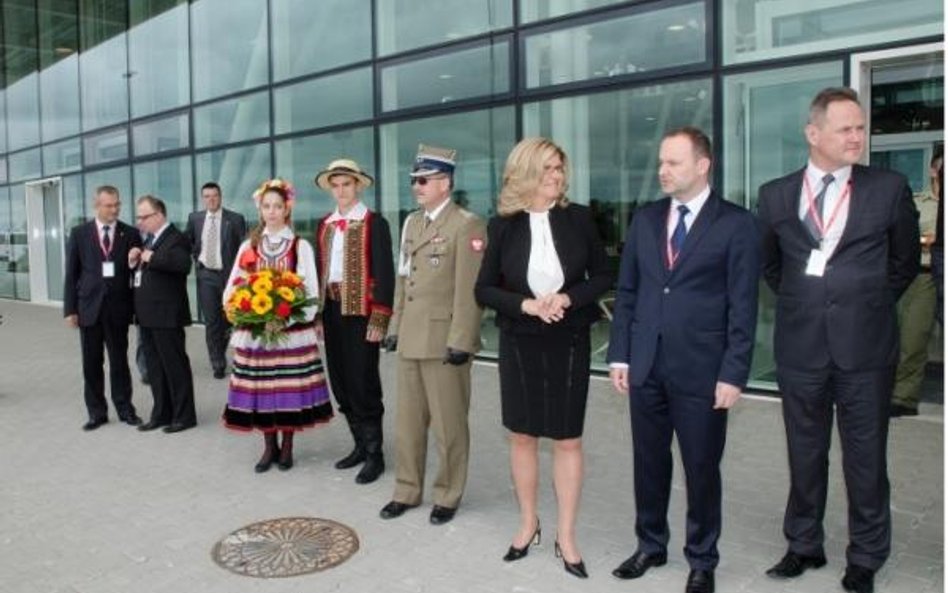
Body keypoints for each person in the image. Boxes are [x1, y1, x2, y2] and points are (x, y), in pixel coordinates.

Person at [757, 87, 919, 593]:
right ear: (814, 133)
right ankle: (803, 544)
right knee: (804, 451)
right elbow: (771, 266)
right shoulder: (776, 195)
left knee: (866, 457)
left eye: (860, 127)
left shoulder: (888, 188)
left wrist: (860, 301)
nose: (856, 136)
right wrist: (814, 300)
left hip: (865, 348)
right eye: (845, 128)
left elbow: (904, 263)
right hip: (801, 347)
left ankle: (866, 555)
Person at [607, 127, 759, 593]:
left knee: (700, 467)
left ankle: (702, 558)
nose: (662, 171)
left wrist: (734, 372)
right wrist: (620, 355)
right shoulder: (647, 219)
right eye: (660, 163)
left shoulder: (736, 223)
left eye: (672, 162)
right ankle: (650, 544)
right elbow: (628, 291)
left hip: (703, 371)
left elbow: (743, 305)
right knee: (648, 462)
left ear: (702, 164)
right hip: (647, 364)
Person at [474, 138, 610, 578]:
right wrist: (527, 305)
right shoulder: (503, 226)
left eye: (560, 168)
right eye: (548, 168)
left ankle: (566, 535)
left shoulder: (579, 218)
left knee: (567, 438)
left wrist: (567, 298)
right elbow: (485, 289)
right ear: (526, 172)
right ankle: (528, 522)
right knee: (522, 436)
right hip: (520, 339)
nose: (557, 176)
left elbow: (606, 274)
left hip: (569, 338)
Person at [379, 144, 486, 525]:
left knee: (448, 425)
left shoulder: (466, 225)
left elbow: (468, 291)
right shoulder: (412, 223)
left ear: (446, 183)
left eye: (423, 180)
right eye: (413, 181)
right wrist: (394, 327)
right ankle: (406, 490)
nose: (416, 187)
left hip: (444, 342)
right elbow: (404, 280)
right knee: (407, 424)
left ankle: (448, 493)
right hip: (410, 338)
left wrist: (462, 339)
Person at [222, 179, 333, 472]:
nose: (271, 212)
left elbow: (309, 290)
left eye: (277, 206)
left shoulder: (300, 246)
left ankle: (287, 446)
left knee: (288, 389)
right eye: (266, 206)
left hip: (289, 331)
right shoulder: (250, 245)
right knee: (262, 389)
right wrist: (244, 310)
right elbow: (236, 282)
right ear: (260, 209)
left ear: (287, 210)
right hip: (257, 332)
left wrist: (288, 315)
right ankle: (268, 446)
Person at [314, 159, 395, 485]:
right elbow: (321, 272)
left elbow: (386, 274)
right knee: (341, 381)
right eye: (336, 184)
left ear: (358, 186)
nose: (341, 190)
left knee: (363, 381)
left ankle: (376, 453)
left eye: (347, 184)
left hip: (362, 312)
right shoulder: (326, 224)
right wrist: (318, 314)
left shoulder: (374, 223)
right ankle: (359, 445)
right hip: (333, 309)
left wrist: (380, 317)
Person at [63, 185, 143, 430]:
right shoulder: (79, 233)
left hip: (118, 309)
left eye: (117, 204)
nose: (115, 209)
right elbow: (71, 274)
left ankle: (125, 409)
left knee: (119, 362)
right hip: (89, 309)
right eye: (109, 205)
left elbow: (137, 271)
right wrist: (70, 310)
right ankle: (97, 413)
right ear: (96, 206)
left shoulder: (129, 233)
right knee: (91, 363)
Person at [129, 195, 197, 434]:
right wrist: (134, 262)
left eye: (144, 216)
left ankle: (184, 416)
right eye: (138, 217)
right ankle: (161, 414)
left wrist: (152, 257)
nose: (140, 222)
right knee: (155, 369)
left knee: (175, 366)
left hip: (167, 316)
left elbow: (182, 265)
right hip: (147, 316)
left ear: (159, 215)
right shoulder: (149, 240)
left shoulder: (176, 237)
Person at [890, 149, 941, 417]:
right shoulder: (918, 201)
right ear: (934, 169)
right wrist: (926, 241)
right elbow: (902, 238)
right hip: (923, 274)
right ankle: (903, 398)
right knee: (912, 336)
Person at [185, 182, 247, 379]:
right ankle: (217, 362)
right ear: (203, 198)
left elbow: (243, 249)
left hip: (229, 277)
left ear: (220, 197)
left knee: (229, 320)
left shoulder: (235, 219)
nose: (211, 199)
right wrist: (197, 258)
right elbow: (189, 242)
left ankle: (220, 350)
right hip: (206, 276)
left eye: (214, 196)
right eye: (207, 196)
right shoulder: (195, 219)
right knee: (212, 321)